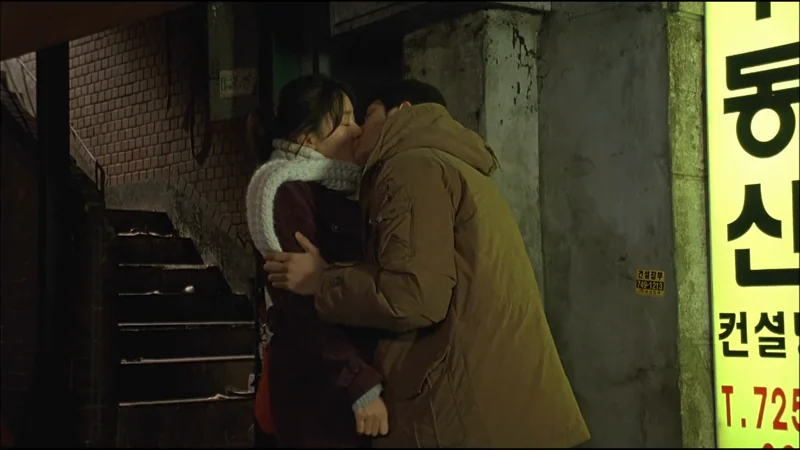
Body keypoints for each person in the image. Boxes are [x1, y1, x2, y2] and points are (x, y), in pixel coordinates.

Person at [263, 79, 591, 448]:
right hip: (495, 396)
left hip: (466, 404)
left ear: (402, 112)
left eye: (367, 115)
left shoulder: (410, 166)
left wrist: (324, 280)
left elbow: (413, 295)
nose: (358, 131)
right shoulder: (448, 162)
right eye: (345, 122)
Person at [245, 75, 389, 448]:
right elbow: (301, 307)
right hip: (319, 394)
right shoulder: (283, 190)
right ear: (307, 140)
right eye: (344, 122)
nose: (357, 130)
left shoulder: (344, 188)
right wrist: (359, 383)